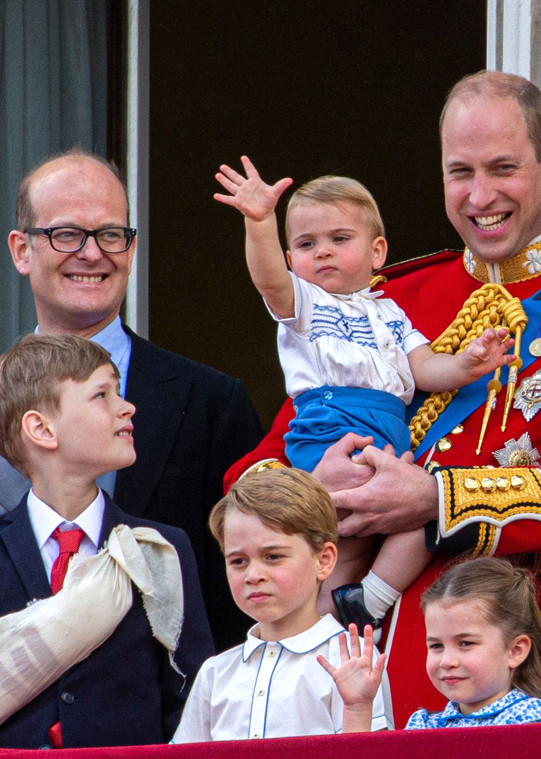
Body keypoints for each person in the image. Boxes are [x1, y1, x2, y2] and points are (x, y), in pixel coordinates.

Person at [223, 71, 541, 725]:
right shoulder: (384, 297)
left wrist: (438, 498)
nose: (480, 195)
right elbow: (254, 467)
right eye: (461, 172)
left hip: (504, 655)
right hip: (347, 652)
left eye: (502, 168)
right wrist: (313, 482)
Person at [213, 163, 513, 632]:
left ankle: (370, 601)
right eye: (307, 244)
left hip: (388, 433)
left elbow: (423, 368)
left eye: (339, 239)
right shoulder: (303, 304)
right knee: (344, 539)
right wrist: (259, 223)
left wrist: (467, 365)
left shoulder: (391, 311)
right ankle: (325, 623)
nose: (323, 253)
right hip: (331, 426)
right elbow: (268, 279)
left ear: (377, 252)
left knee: (423, 520)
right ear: (292, 258)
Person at [3, 149, 264, 649]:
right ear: (21, 250)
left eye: (110, 234)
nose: (92, 253)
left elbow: (244, 589)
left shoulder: (211, 401)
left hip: (166, 714)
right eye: (66, 234)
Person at [0, 334, 213, 748]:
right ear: (41, 428)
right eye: (102, 394)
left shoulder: (159, 549)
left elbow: (189, 698)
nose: (127, 406)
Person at [172, 467, 389, 742]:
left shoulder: (349, 662)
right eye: (238, 561)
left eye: (273, 556)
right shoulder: (215, 674)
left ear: (323, 560)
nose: (253, 575)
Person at [321, 557, 541, 729]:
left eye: (466, 643)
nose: (447, 661)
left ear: (515, 650)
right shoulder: (423, 725)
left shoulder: (535, 721)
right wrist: (357, 708)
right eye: (436, 646)